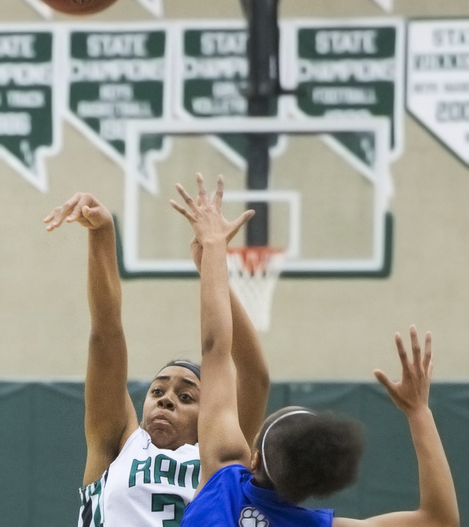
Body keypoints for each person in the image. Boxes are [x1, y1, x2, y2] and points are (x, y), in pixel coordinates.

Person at [170, 172, 459, 527]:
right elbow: (439, 520)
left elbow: (215, 347)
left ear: (254, 459)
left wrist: (214, 251)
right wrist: (419, 413)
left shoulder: (223, 478)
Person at [44, 191, 269, 527]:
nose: (166, 400)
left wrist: (212, 266)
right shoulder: (119, 444)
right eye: (157, 391)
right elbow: (106, 336)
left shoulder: (219, 460)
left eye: (186, 396)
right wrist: (102, 234)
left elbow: (254, 378)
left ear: (209, 414)